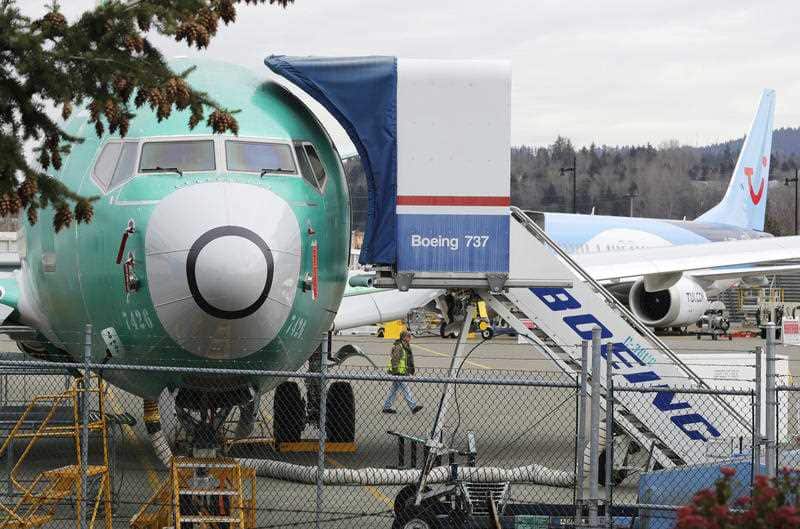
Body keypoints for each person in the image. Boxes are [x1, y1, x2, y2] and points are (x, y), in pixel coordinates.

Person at [382, 331, 423, 414]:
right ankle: (413, 406)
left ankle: (386, 407)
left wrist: (411, 370)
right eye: (409, 336)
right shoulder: (399, 347)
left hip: (401, 371)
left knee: (394, 390)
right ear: (404, 337)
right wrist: (395, 371)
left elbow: (408, 360)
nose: (410, 338)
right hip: (398, 372)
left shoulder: (406, 346)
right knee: (405, 389)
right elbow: (395, 360)